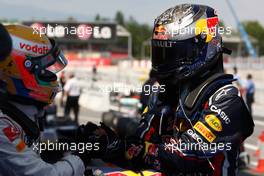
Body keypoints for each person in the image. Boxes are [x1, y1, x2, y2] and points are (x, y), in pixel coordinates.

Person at [77, 4, 254, 175]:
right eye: (161, 53)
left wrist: (129, 148)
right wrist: (106, 144)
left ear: (202, 47)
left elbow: (181, 156)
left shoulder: (227, 100)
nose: (165, 61)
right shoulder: (166, 93)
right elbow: (141, 143)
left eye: (174, 53)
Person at [0, 25, 87, 175]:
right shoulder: (3, 124)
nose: (53, 76)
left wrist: (56, 148)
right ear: (21, 69)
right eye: (45, 69)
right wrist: (80, 159)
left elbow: (23, 149)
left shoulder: (17, 113)